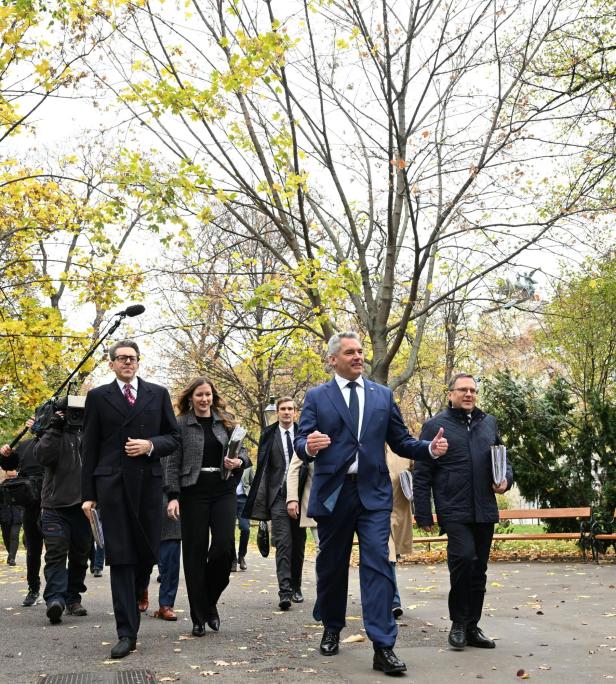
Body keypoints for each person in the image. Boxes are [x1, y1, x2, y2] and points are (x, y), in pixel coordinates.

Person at [294, 331, 448, 676]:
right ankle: (332, 626)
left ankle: (383, 646)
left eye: (361, 351)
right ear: (333, 359)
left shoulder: (382, 395)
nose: (358, 357)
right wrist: (309, 446)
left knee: (378, 564)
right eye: (350, 352)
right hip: (334, 494)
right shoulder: (317, 397)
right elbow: (301, 441)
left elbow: (402, 440)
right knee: (331, 566)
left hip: (374, 494)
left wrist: (428, 450)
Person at [81, 339, 179, 659]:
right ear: (111, 364)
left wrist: (149, 445)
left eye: (132, 358)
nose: (127, 362)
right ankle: (127, 632)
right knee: (121, 558)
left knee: (146, 555)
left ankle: (139, 589)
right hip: (112, 486)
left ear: (139, 362)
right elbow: (89, 447)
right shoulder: (97, 397)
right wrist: (88, 496)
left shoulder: (157, 394)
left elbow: (173, 438)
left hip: (148, 487)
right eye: (121, 358)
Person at [413, 372, 513, 651]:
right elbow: (421, 472)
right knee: (464, 560)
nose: (469, 394)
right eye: (463, 390)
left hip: (484, 508)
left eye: (473, 390)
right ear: (450, 394)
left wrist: (505, 479)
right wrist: (423, 513)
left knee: (479, 569)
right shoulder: (435, 426)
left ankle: (472, 627)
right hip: (453, 508)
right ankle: (458, 623)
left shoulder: (488, 423)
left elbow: (504, 459)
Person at [165, 376, 249, 637]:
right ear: (190, 397)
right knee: (194, 553)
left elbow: (244, 454)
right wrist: (173, 495)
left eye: (208, 395)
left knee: (224, 548)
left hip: (223, 490)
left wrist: (239, 463)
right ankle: (198, 616)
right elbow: (171, 462)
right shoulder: (179, 424)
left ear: (213, 396)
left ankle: (208, 601)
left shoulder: (226, 421)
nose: (204, 399)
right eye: (199, 395)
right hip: (193, 492)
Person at [243, 397, 307, 610]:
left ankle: (296, 585)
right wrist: (262, 504)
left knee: (298, 544)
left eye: (290, 409)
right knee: (283, 543)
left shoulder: (303, 433)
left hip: (301, 494)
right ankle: (285, 591)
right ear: (278, 412)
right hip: (277, 496)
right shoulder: (268, 434)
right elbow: (264, 469)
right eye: (283, 409)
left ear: (295, 412)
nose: (287, 412)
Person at [35, 399, 92, 625]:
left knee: (80, 556)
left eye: (79, 412)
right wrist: (54, 428)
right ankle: (55, 600)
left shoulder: (91, 433)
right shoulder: (53, 432)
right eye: (71, 412)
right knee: (56, 554)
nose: (75, 416)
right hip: (54, 507)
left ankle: (73, 597)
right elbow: (42, 457)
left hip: (84, 508)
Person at [1, 422, 45, 605]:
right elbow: (10, 464)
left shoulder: (58, 442)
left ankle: (58, 591)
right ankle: (33, 588)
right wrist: (5, 455)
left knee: (57, 549)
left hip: (54, 501)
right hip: (31, 503)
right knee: (33, 548)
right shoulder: (26, 445)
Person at [286, 450, 319, 619]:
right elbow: (293, 469)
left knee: (334, 552)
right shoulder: (310, 432)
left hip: (342, 501)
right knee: (323, 549)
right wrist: (292, 498)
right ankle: (324, 596)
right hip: (314, 502)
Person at [153, 456, 182, 621]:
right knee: (141, 556)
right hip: (142, 490)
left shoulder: (177, 433)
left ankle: (166, 604)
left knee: (171, 553)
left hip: (171, 493)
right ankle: (140, 591)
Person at [232, 463, 253, 572]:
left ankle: (241, 556)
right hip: (229, 499)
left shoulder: (248, 466)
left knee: (245, 529)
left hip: (243, 500)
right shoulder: (226, 461)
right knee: (228, 531)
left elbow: (252, 483)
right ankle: (233, 559)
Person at [0, 470, 23, 566]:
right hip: (4, 515)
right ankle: (11, 554)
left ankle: (12, 557)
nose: (12, 477)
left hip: (17, 515)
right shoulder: (1, 487)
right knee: (6, 537)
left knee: (14, 535)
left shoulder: (21, 486)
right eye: (10, 476)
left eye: (13, 475)